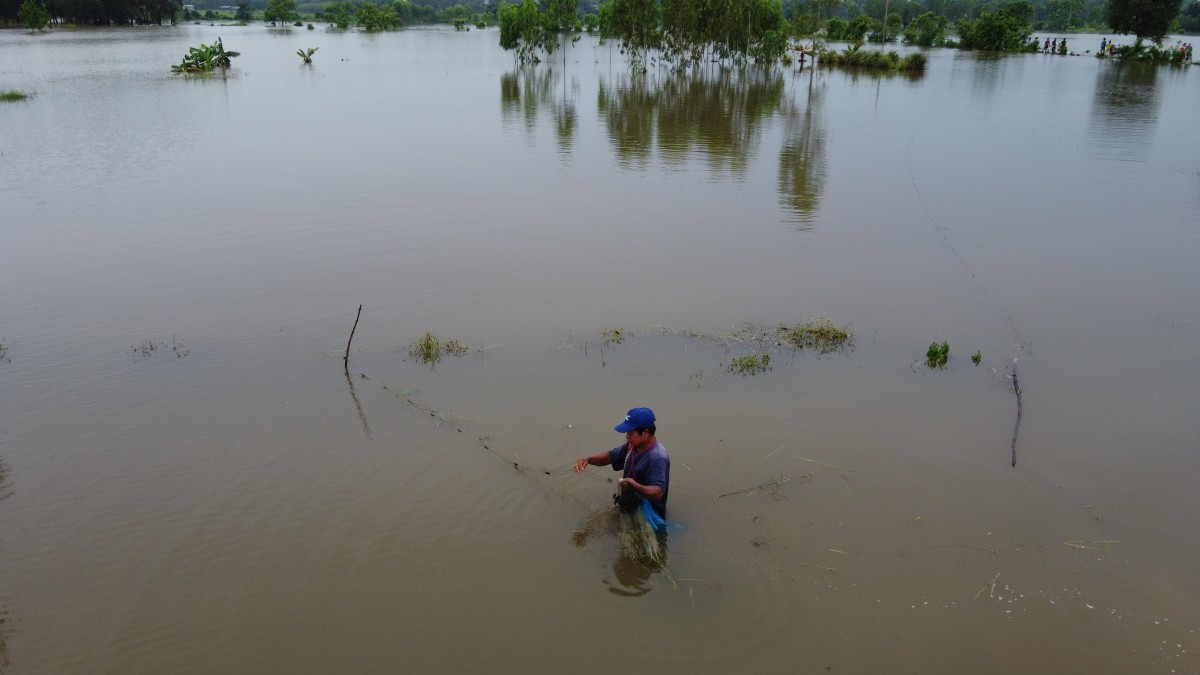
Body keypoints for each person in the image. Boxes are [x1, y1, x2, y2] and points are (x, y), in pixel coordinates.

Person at [574, 407, 671, 519]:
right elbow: (610, 457)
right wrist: (588, 459)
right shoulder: (632, 445)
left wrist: (635, 486)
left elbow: (658, 492)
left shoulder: (657, 457)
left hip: (649, 516)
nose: (627, 437)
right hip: (630, 505)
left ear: (645, 433)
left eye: (630, 433)